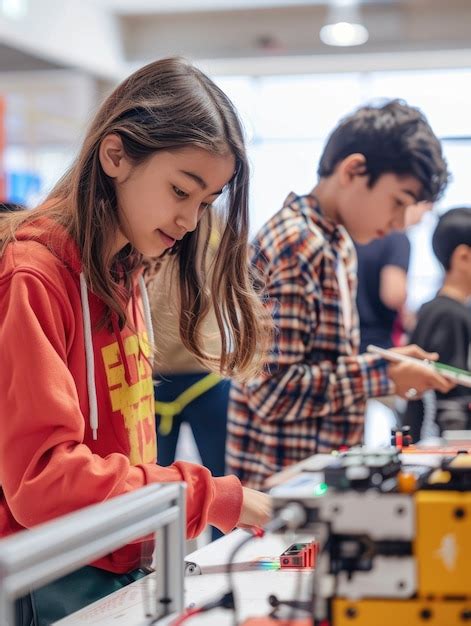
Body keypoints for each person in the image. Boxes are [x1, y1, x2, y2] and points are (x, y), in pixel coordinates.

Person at [0, 57, 272, 625]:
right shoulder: (34, 275)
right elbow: (43, 479)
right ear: (116, 154)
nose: (191, 221)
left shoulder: (125, 269)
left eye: (205, 201)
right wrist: (212, 496)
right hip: (52, 577)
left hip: (117, 560)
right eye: (180, 190)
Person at [226, 100, 454, 490]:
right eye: (397, 202)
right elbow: (272, 391)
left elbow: (320, 364)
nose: (399, 223)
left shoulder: (337, 244)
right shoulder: (296, 245)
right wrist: (383, 374)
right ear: (353, 170)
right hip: (279, 496)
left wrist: (386, 361)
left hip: (317, 483)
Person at [146, 217, 230, 540]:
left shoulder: (214, 223)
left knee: (222, 496)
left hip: (205, 374)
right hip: (150, 376)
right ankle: (140, 580)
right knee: (146, 497)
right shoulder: (144, 219)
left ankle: (225, 583)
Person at [402, 207, 471, 441]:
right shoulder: (449, 315)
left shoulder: (438, 309)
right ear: (463, 257)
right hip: (446, 448)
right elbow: (451, 400)